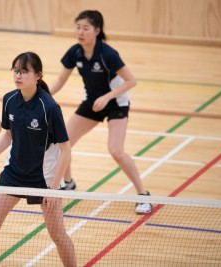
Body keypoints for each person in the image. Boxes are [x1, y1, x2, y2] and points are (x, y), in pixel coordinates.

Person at [0, 52, 77, 267]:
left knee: (57, 235)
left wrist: (54, 188)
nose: (18, 76)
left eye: (24, 71)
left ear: (37, 75)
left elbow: (65, 150)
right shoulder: (9, 99)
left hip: (44, 180)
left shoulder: (49, 108)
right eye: (16, 71)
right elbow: (8, 135)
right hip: (13, 174)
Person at [49, 10, 152, 214]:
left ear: (96, 30)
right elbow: (60, 80)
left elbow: (132, 81)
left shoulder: (108, 54)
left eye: (85, 28)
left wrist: (108, 97)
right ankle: (68, 183)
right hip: (93, 103)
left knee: (115, 150)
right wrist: (40, 96)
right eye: (77, 27)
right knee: (64, 141)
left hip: (116, 103)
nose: (80, 32)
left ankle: (143, 195)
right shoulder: (75, 52)